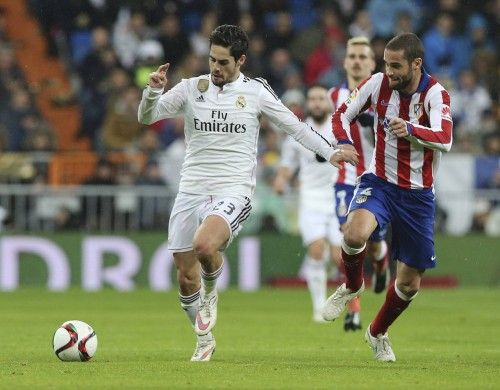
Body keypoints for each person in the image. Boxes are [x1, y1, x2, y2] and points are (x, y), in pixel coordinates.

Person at [137, 25, 358, 362]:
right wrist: (152, 91)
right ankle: (204, 340)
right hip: (191, 188)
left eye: (223, 62)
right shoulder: (191, 88)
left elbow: (294, 127)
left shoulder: (256, 92)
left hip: (233, 189)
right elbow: (147, 116)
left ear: (240, 60)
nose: (215, 68)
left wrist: (330, 152)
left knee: (204, 244)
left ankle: (211, 294)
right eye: (212, 59)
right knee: (184, 277)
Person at [322, 32, 452, 362]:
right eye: (386, 64)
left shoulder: (436, 95)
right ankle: (352, 285)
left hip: (418, 197)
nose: (389, 72)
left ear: (416, 64)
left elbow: (445, 138)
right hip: (379, 182)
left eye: (396, 66)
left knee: (408, 286)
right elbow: (341, 114)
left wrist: (411, 129)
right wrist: (345, 142)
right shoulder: (376, 84)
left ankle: (377, 332)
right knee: (353, 233)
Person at [328, 37, 391, 332]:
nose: (355, 60)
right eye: (351, 55)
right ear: (344, 62)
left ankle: (381, 262)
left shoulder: (382, 95)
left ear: (372, 63)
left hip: (376, 179)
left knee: (374, 243)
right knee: (349, 237)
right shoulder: (332, 95)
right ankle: (353, 310)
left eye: (362, 56)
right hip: (345, 180)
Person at [273, 85, 343, 323]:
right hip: (311, 199)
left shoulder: (339, 129)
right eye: (312, 98)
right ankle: (318, 308)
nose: (316, 103)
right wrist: (281, 179)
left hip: (337, 198)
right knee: (315, 251)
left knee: (338, 258)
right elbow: (287, 163)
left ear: (329, 102)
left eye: (320, 98)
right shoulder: (298, 133)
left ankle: (337, 288)